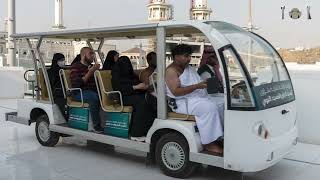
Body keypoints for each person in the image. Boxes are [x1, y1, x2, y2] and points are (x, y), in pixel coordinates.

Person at [165, 44, 224, 154]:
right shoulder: (171, 71)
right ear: (176, 56)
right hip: (182, 102)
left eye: (189, 56)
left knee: (222, 103)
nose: (189, 59)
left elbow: (196, 82)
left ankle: (219, 137)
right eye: (186, 56)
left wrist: (205, 84)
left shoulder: (189, 68)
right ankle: (208, 143)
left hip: (196, 98)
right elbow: (176, 92)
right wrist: (197, 86)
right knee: (209, 108)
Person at [111, 56, 156, 141]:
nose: (127, 66)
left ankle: (149, 129)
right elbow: (119, 89)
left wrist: (144, 86)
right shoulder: (115, 76)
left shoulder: (131, 75)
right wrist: (135, 87)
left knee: (152, 100)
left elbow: (137, 83)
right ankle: (136, 133)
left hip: (133, 95)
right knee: (142, 103)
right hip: (122, 97)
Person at [70, 47, 103, 133]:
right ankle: (96, 126)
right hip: (79, 93)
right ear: (84, 55)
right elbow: (77, 84)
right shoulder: (75, 67)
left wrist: (98, 72)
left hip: (93, 90)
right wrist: (90, 72)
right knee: (94, 97)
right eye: (90, 54)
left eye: (93, 53)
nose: (93, 56)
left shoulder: (91, 67)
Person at [47, 53, 67, 118]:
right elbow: (50, 84)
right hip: (57, 94)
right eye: (61, 60)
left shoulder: (64, 70)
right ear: (56, 61)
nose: (63, 62)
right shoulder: (50, 72)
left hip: (65, 91)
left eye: (64, 60)